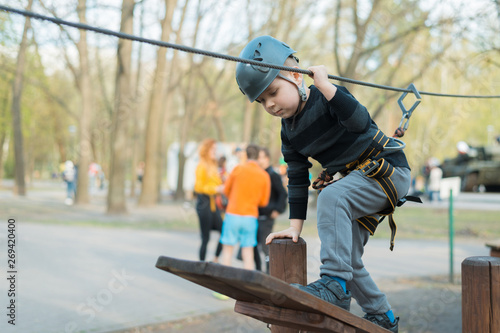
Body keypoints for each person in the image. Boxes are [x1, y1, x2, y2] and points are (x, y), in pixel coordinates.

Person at [235, 36, 412, 333]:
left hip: (388, 173)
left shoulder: (327, 96)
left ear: (295, 75)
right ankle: (383, 317)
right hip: (359, 183)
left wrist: (327, 87)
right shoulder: (288, 133)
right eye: (262, 101)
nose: (270, 104)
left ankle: (334, 286)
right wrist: (294, 226)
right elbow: (296, 176)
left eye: (273, 92)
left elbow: (359, 123)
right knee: (347, 259)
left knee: (331, 198)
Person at [219, 144, 271, 271]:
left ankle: (223, 287)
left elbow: (225, 190)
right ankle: (247, 286)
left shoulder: (237, 169)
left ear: (246, 155)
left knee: (227, 252)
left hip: (233, 214)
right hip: (250, 217)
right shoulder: (264, 175)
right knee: (248, 254)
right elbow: (264, 202)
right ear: (258, 156)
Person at [255, 147, 288, 273]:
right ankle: (258, 271)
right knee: (255, 246)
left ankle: (270, 273)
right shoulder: (259, 174)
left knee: (265, 246)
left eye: (261, 157)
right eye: (257, 158)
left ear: (267, 158)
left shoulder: (273, 175)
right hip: (257, 215)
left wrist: (277, 210)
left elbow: (282, 194)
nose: (259, 160)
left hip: (267, 216)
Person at [193, 139, 224, 263]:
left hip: (213, 204)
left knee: (224, 232)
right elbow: (198, 187)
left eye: (215, 150)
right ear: (206, 150)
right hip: (204, 204)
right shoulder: (201, 166)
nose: (215, 152)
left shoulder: (213, 165)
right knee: (205, 238)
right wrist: (215, 188)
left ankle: (215, 259)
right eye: (213, 149)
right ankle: (201, 265)